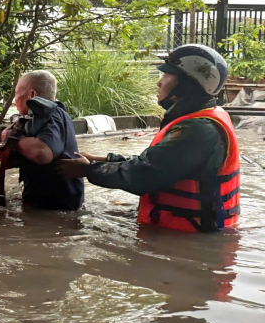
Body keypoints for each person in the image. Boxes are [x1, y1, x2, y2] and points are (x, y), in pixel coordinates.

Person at [56, 44, 240, 233]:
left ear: (187, 84)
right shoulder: (201, 118)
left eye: (166, 75)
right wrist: (102, 159)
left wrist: (88, 169)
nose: (159, 83)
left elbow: (146, 175)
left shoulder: (198, 128)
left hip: (190, 239)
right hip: (188, 232)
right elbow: (157, 163)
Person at [0, 70, 84, 210]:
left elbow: (42, 152)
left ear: (32, 95)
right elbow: (3, 153)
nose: (15, 101)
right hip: (40, 206)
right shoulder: (34, 122)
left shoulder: (55, 115)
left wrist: (11, 138)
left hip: (59, 210)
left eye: (17, 93)